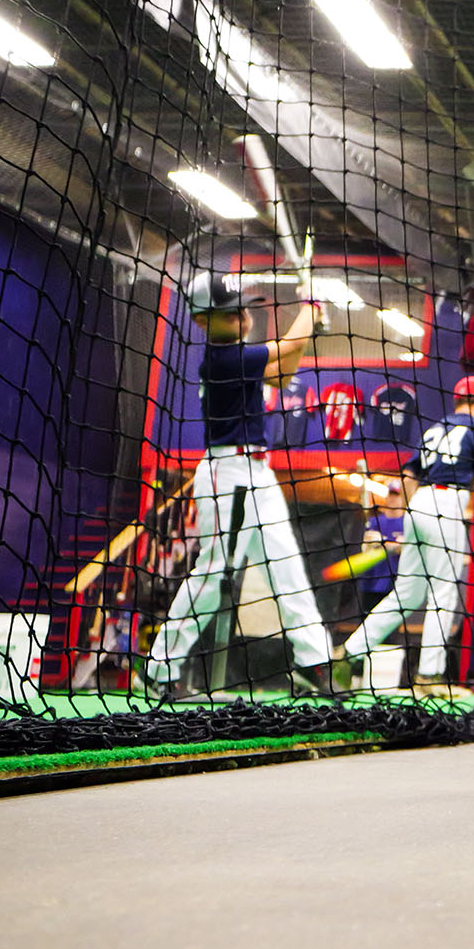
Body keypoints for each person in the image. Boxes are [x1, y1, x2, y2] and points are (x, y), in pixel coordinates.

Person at [143, 272, 335, 700]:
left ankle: (313, 664)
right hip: (227, 474)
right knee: (214, 573)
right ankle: (160, 670)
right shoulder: (222, 359)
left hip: (258, 473)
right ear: (201, 320)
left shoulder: (241, 357)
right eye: (229, 312)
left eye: (241, 308)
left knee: (287, 564)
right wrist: (310, 308)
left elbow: (283, 373)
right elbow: (288, 349)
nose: (241, 316)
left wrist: (308, 328)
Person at [342, 376, 474, 696]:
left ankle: (349, 652)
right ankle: (429, 675)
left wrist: (414, 513)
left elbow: (410, 473)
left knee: (407, 592)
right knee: (443, 592)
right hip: (447, 501)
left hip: (420, 501)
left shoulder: (435, 427)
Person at [358, 479, 406, 619]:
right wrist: (369, 542)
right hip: (371, 582)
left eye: (396, 495)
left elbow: (403, 547)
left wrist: (382, 541)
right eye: (391, 494)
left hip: (393, 584)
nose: (393, 498)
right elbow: (365, 548)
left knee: (390, 628)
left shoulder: (407, 522)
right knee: (366, 625)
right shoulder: (374, 521)